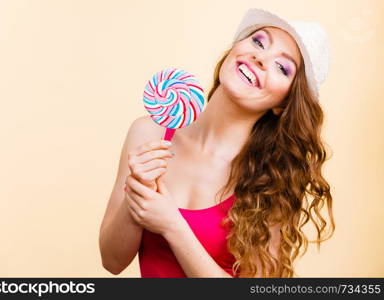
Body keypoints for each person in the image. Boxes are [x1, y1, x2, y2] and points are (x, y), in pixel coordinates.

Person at [99, 8, 335, 278]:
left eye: (282, 67)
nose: (260, 57)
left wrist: (172, 226)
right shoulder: (149, 133)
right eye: (258, 41)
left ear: (283, 105)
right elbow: (112, 261)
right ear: (234, 49)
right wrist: (137, 192)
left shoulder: (271, 179)